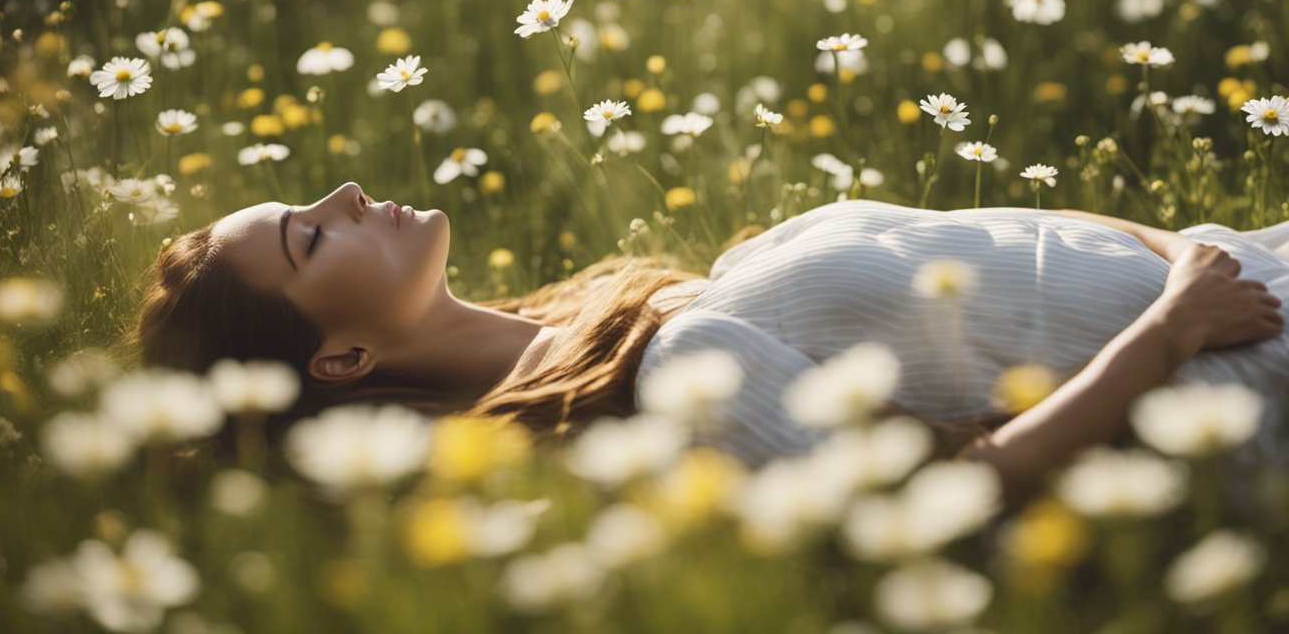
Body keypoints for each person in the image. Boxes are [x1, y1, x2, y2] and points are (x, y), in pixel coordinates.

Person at [129, 181, 1287, 503]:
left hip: (1245, 268)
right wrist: (1173, 326)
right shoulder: (671, 387)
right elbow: (968, 489)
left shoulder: (634, 306)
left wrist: (1189, 249)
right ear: (341, 361)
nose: (342, 191)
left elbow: (988, 231)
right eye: (308, 237)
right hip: (1242, 377)